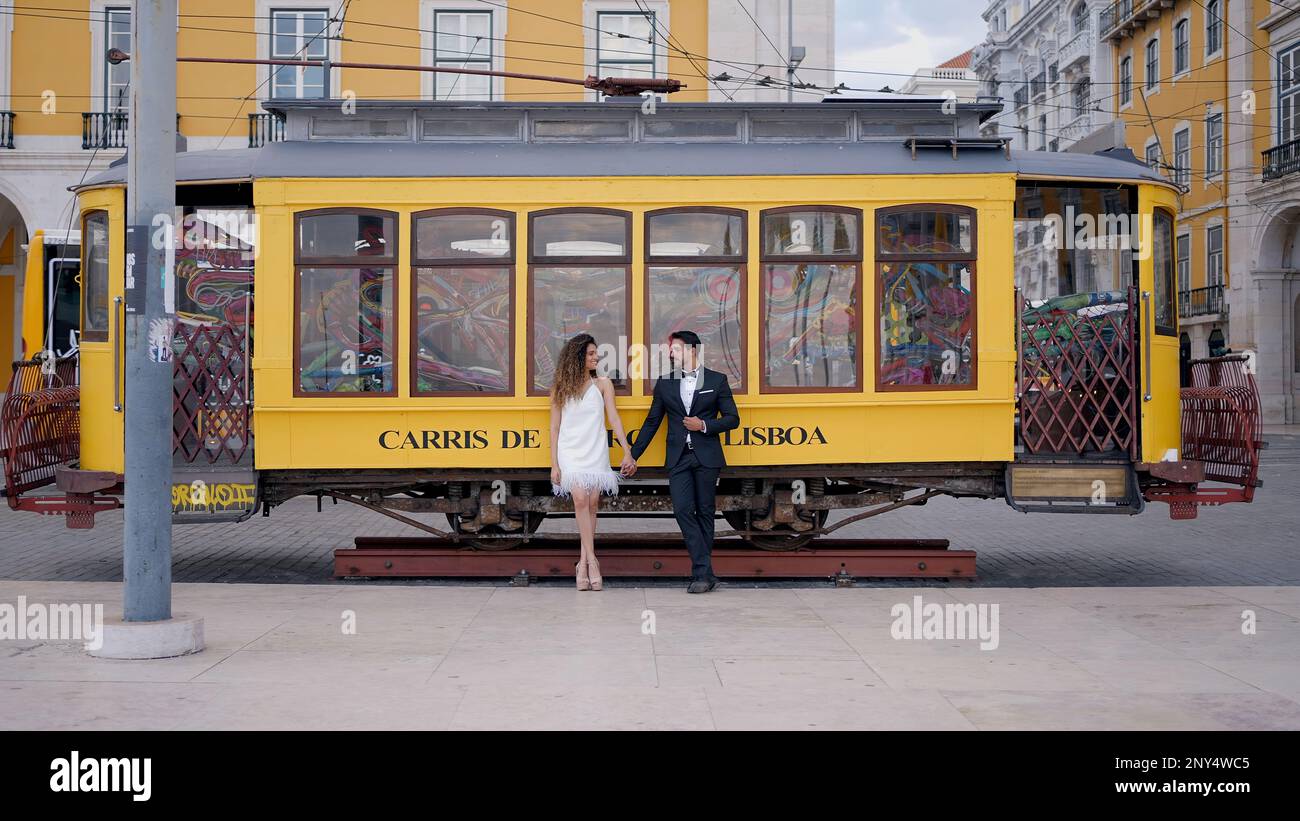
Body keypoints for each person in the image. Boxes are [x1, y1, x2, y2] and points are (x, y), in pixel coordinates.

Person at [625, 331, 740, 593]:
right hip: (678, 457)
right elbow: (652, 422)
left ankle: (701, 574)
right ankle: (705, 571)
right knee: (682, 510)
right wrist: (634, 454)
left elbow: (733, 418)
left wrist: (704, 425)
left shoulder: (716, 380)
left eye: (675, 349)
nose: (671, 353)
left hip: (707, 457)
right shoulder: (665, 383)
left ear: (692, 349)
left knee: (706, 512)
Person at [549, 333, 636, 591]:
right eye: (590, 353)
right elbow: (554, 427)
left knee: (593, 503)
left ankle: (583, 562)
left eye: (596, 353)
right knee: (580, 500)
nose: (596, 357)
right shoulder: (560, 388)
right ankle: (593, 562)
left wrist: (627, 451)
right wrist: (555, 464)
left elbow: (615, 419)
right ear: (577, 357)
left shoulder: (603, 384)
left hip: (595, 449)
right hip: (570, 451)